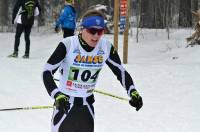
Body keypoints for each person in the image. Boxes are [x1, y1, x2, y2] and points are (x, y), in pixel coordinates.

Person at [42, 10, 143, 132]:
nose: (96, 36)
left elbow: (120, 71)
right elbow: (47, 71)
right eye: (92, 31)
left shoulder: (105, 47)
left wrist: (132, 92)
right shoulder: (68, 44)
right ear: (82, 29)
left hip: (87, 108)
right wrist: (57, 95)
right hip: (65, 106)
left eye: (100, 31)